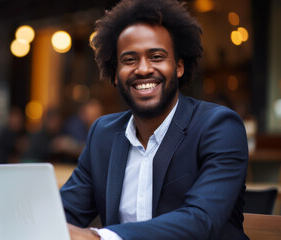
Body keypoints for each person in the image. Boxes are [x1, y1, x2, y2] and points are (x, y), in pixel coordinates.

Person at [60, 0, 249, 239]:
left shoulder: (219, 127)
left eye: (156, 56)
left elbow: (200, 220)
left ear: (179, 66)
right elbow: (61, 214)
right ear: (115, 74)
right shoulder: (103, 135)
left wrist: (100, 237)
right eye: (129, 60)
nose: (143, 69)